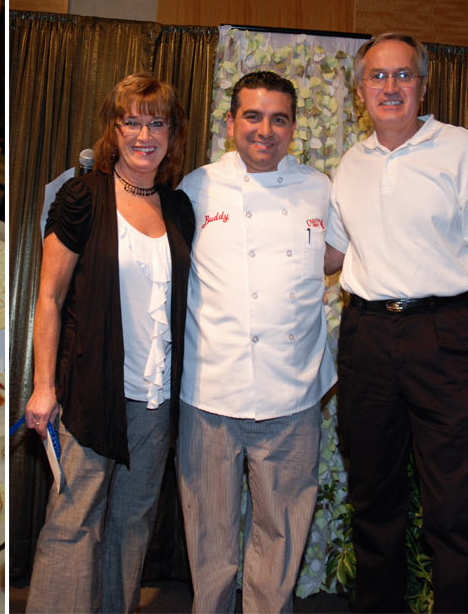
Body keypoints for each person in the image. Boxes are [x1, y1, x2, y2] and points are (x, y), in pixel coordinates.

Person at [324, 32, 468, 612]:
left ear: (423, 86)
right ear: (360, 91)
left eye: (403, 74)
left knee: (454, 508)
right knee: (373, 502)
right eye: (377, 76)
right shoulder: (350, 164)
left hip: (444, 336)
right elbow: (329, 254)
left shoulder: (459, 148)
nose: (390, 86)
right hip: (367, 338)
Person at [24, 73, 195, 613]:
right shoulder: (81, 196)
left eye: (157, 123)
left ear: (172, 133)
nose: (144, 135)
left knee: (132, 524)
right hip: (90, 390)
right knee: (73, 522)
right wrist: (44, 387)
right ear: (113, 129)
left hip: (156, 399)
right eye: (132, 122)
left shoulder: (179, 208)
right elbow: (49, 296)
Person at [176, 71, 336, 612]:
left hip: (293, 391)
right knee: (209, 538)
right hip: (210, 390)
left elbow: (338, 259)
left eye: (278, 119)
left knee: (281, 535)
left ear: (293, 127)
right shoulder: (196, 187)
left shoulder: (319, 188)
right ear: (230, 123)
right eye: (252, 116)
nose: (265, 130)